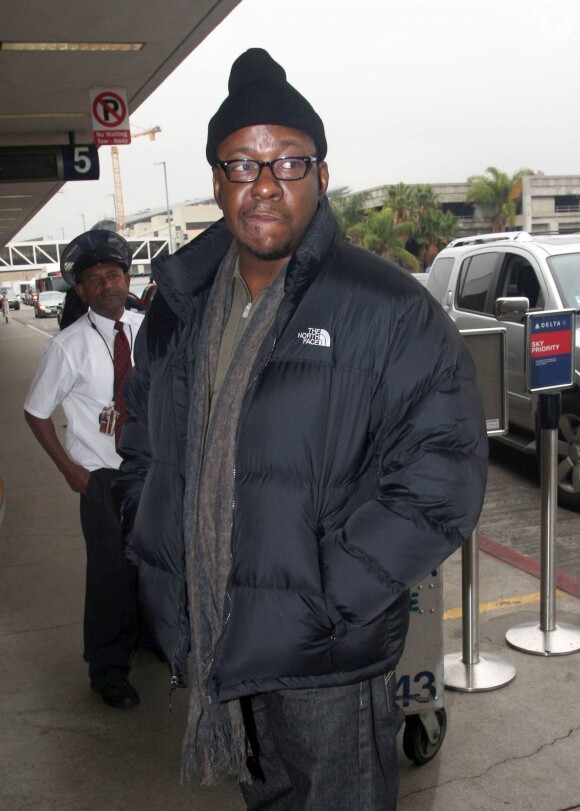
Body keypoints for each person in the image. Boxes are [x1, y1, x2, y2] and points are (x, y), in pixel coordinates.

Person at [115, 49, 488, 809]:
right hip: (221, 637)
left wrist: (328, 594)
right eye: (242, 164)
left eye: (288, 161)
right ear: (216, 180)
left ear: (320, 172)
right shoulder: (177, 309)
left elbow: (444, 472)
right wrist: (155, 546)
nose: (265, 185)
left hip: (326, 656)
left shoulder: (384, 306)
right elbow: (143, 449)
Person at [24, 230, 145, 710]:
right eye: (94, 280)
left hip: (149, 471)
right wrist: (70, 471)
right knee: (109, 574)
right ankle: (107, 669)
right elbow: (35, 413)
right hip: (101, 476)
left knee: (150, 565)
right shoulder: (68, 347)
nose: (107, 285)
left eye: (113, 275)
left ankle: (146, 643)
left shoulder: (147, 328)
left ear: (126, 277)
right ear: (82, 292)